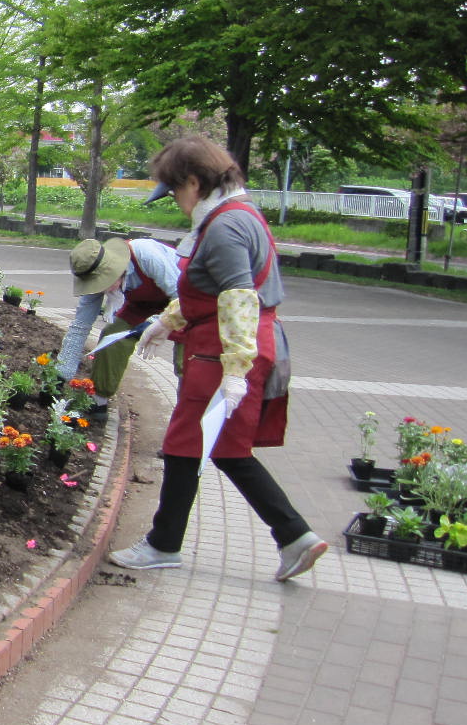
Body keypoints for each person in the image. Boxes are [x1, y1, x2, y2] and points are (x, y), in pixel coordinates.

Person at [109, 134, 328, 582]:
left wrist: (235, 370)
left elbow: (237, 297)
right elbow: (204, 289)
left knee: (184, 444)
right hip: (223, 343)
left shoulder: (226, 226)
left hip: (223, 349)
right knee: (226, 447)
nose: (175, 201)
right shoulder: (240, 214)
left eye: (174, 190)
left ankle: (162, 545)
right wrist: (165, 322)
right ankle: (294, 536)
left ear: (195, 181)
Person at [55, 236, 180, 423]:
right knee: (112, 336)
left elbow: (180, 296)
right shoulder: (94, 277)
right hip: (144, 304)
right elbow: (80, 328)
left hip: (186, 302)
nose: (101, 290)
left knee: (186, 362)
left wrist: (158, 323)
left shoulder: (146, 256)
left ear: (114, 271)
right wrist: (60, 375)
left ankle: (186, 425)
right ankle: (99, 401)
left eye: (101, 283)